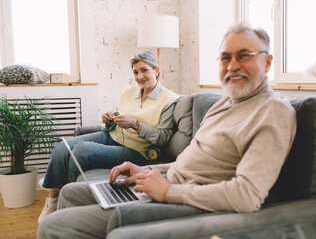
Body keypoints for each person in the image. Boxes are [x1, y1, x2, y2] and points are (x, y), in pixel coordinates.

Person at [37, 22, 297, 238]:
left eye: (244, 56)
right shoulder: (225, 104)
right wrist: (148, 171)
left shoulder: (272, 111)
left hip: (183, 199)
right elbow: (187, 163)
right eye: (226, 58)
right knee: (70, 192)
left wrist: (167, 190)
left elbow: (247, 196)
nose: (232, 66)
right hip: (164, 180)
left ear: (268, 61)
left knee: (53, 226)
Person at [38, 51, 180, 222]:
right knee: (61, 147)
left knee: (81, 150)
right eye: (135, 72)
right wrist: (109, 120)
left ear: (156, 70)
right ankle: (53, 197)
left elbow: (163, 138)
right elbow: (118, 115)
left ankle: (68, 199)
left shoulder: (169, 100)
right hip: (112, 136)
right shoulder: (129, 93)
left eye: (144, 70)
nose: (139, 77)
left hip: (136, 150)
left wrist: (135, 125)